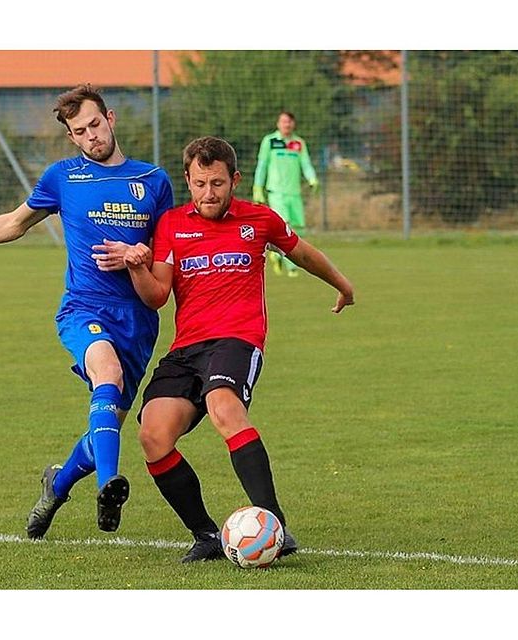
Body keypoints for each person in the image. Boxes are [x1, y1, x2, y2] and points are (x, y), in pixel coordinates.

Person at [0, 84, 174, 539]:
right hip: (84, 308)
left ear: (110, 118)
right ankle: (111, 485)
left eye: (94, 124)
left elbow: (164, 253)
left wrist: (138, 254)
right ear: (71, 137)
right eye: (79, 131)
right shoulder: (63, 177)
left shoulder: (154, 181)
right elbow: (12, 224)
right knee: (105, 374)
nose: (90, 136)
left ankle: (58, 482)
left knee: (103, 429)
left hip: (138, 321)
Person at [121, 136, 354, 562]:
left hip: (237, 339)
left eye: (217, 183)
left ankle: (274, 524)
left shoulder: (258, 220)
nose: (208, 193)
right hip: (187, 347)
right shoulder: (172, 224)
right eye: (199, 184)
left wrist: (342, 284)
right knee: (153, 435)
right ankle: (206, 535)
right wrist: (137, 267)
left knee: (223, 406)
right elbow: (156, 296)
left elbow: (302, 254)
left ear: (235, 180)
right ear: (188, 181)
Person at [252, 111, 320, 277]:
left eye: (289, 122)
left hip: (294, 193)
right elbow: (262, 165)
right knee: (285, 226)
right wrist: (257, 187)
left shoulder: (298, 143)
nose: (286, 125)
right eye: (283, 122)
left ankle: (276, 255)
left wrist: (312, 178)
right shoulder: (270, 141)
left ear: (293, 124)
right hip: (276, 192)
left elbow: (306, 163)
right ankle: (291, 267)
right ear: (278, 124)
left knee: (297, 228)